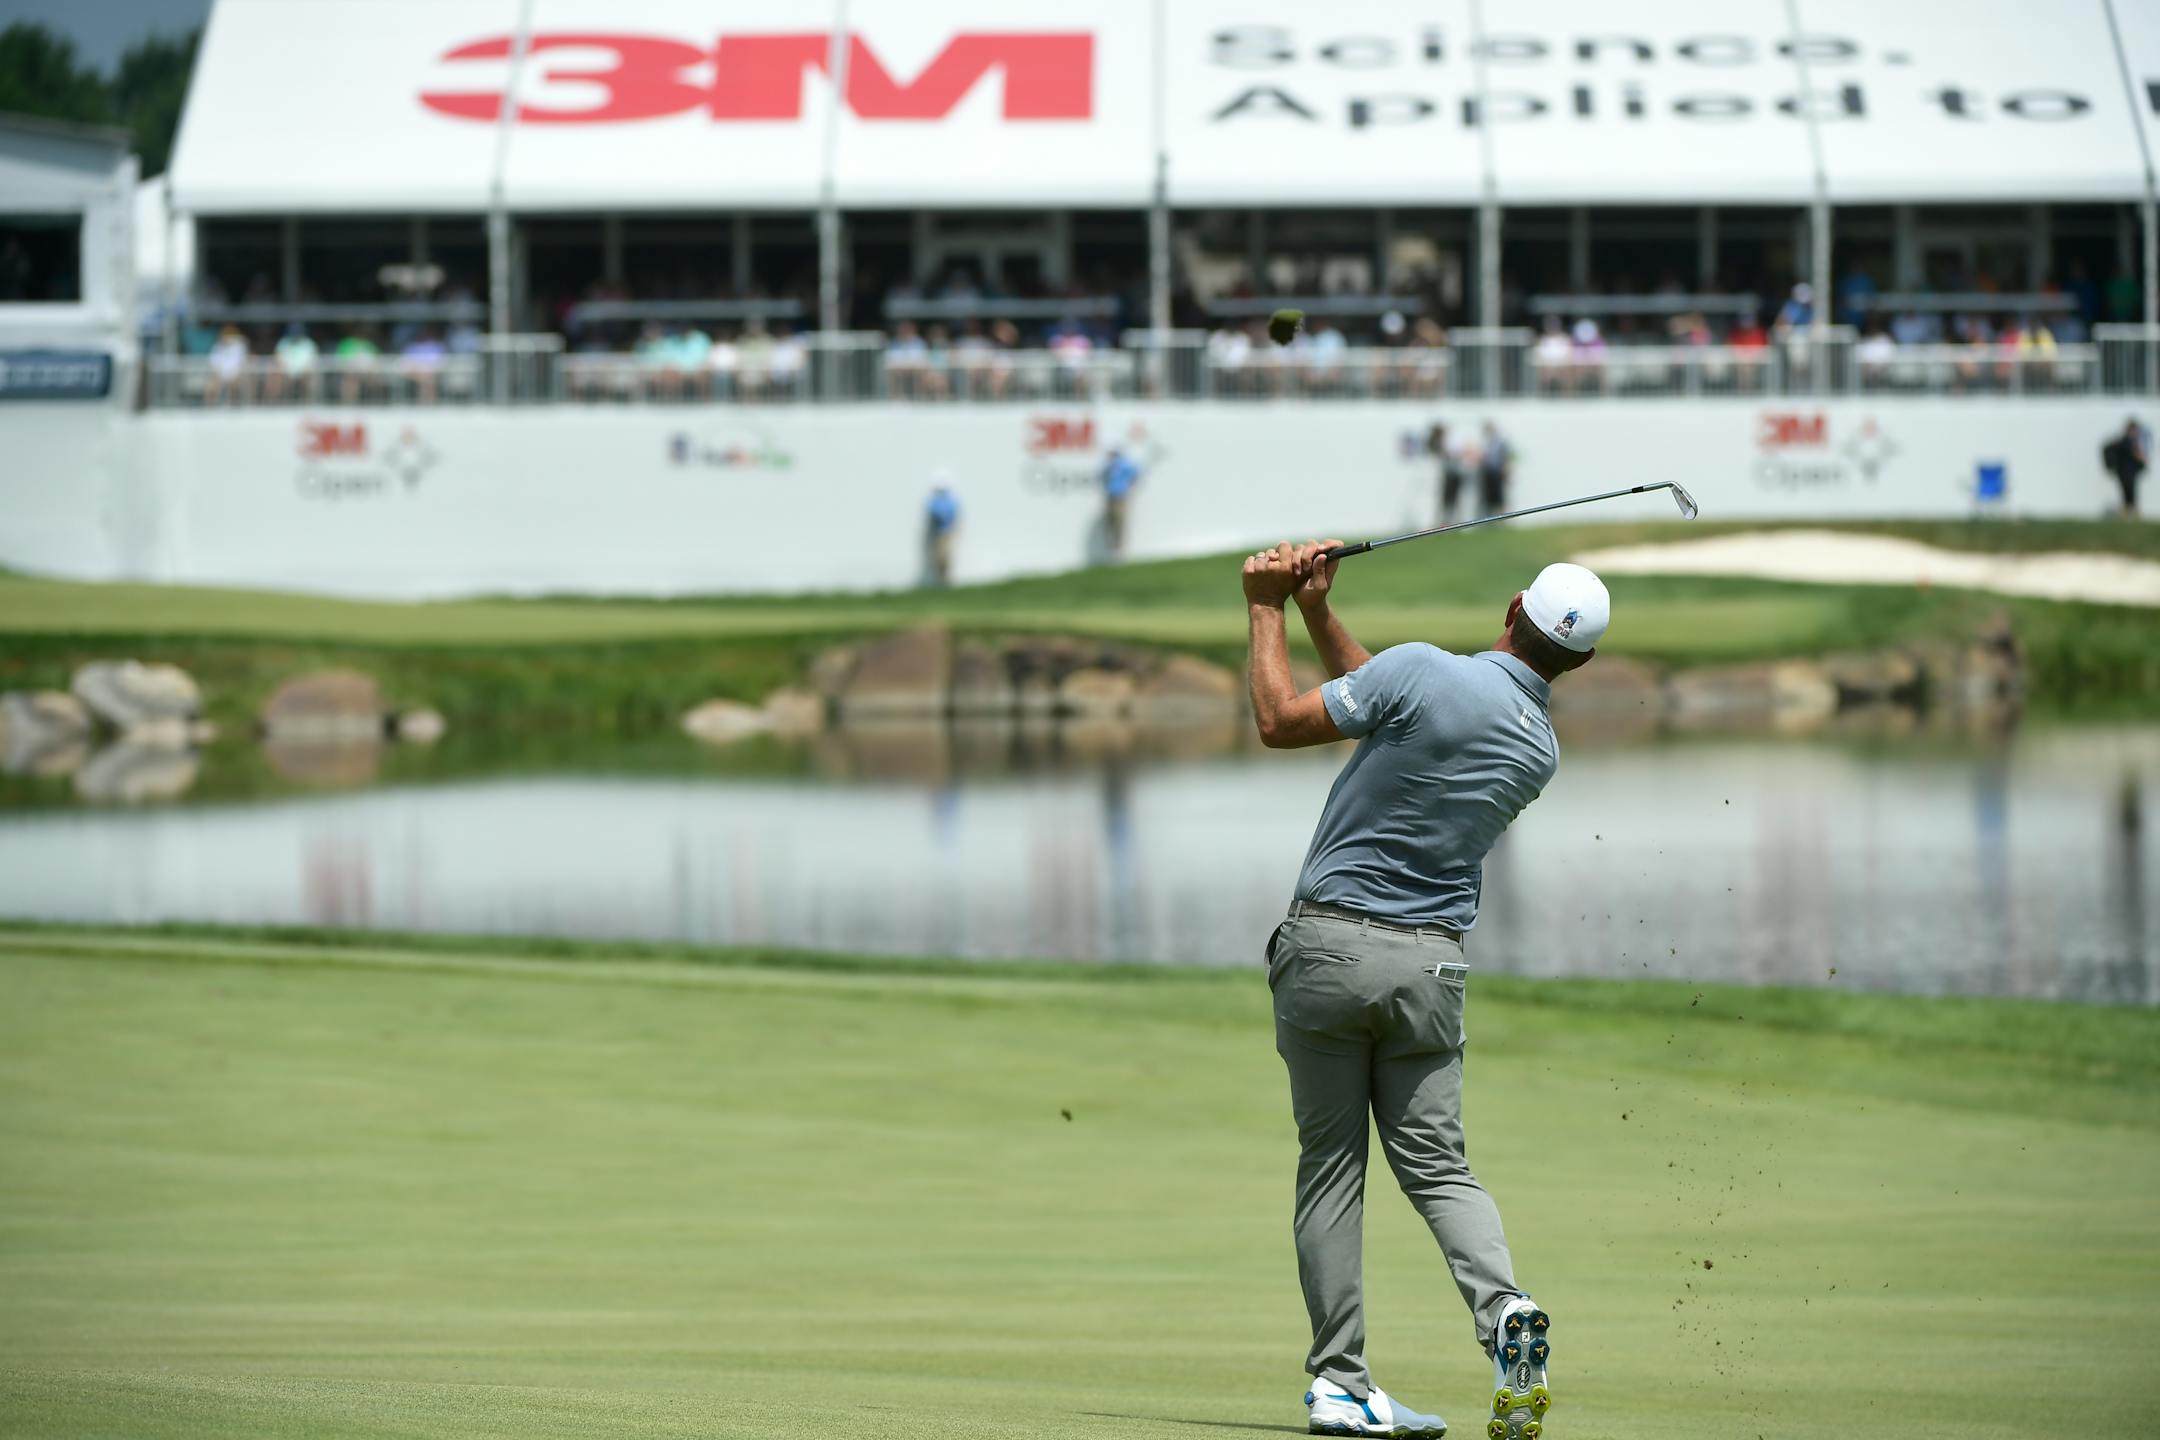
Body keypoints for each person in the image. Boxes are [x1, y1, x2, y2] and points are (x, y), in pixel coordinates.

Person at [1240, 540, 1606, 1440]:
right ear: (1581, 661)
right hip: (1431, 968)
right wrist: (1319, 613)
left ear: (1512, 608)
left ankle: (1340, 1381)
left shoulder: (1422, 672)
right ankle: (1505, 1313)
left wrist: (1264, 606)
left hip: (1328, 952)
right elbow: (1388, 704)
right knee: (1439, 1167)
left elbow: (1284, 721)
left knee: (1332, 1169)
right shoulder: (1537, 748)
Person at [2102, 418, 2149, 517]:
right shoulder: (2127, 441)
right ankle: (2130, 514)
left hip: (2123, 472)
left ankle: (2128, 513)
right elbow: (2136, 454)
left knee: (2127, 493)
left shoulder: (2124, 441)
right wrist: (2143, 459)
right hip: (2127, 472)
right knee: (2129, 493)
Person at [1101, 445, 1142, 558]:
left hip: (1120, 495)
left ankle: (1119, 548)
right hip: (1111, 495)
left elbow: (1135, 473)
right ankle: (1112, 546)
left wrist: (1128, 486)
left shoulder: (1124, 464)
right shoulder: (1109, 466)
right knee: (1111, 520)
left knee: (1119, 520)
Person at [1428, 423, 1470, 525]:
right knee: (1448, 499)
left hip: (1454, 473)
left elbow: (1456, 455)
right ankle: (1447, 521)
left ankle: (1454, 521)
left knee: (1453, 499)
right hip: (1450, 473)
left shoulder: (1450, 442)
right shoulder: (1444, 442)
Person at [923, 481, 961, 585]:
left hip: (945, 533)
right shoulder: (935, 501)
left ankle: (944, 580)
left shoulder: (949, 501)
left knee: (945, 557)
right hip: (938, 533)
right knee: (939, 557)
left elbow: (949, 515)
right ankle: (940, 580)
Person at [1476, 420, 1512, 517]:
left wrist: (1505, 471)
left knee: (1499, 496)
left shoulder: (1500, 442)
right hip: (1488, 472)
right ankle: (1492, 517)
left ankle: (1502, 517)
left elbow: (1505, 457)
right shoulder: (1487, 442)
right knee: (1490, 497)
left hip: (1497, 471)